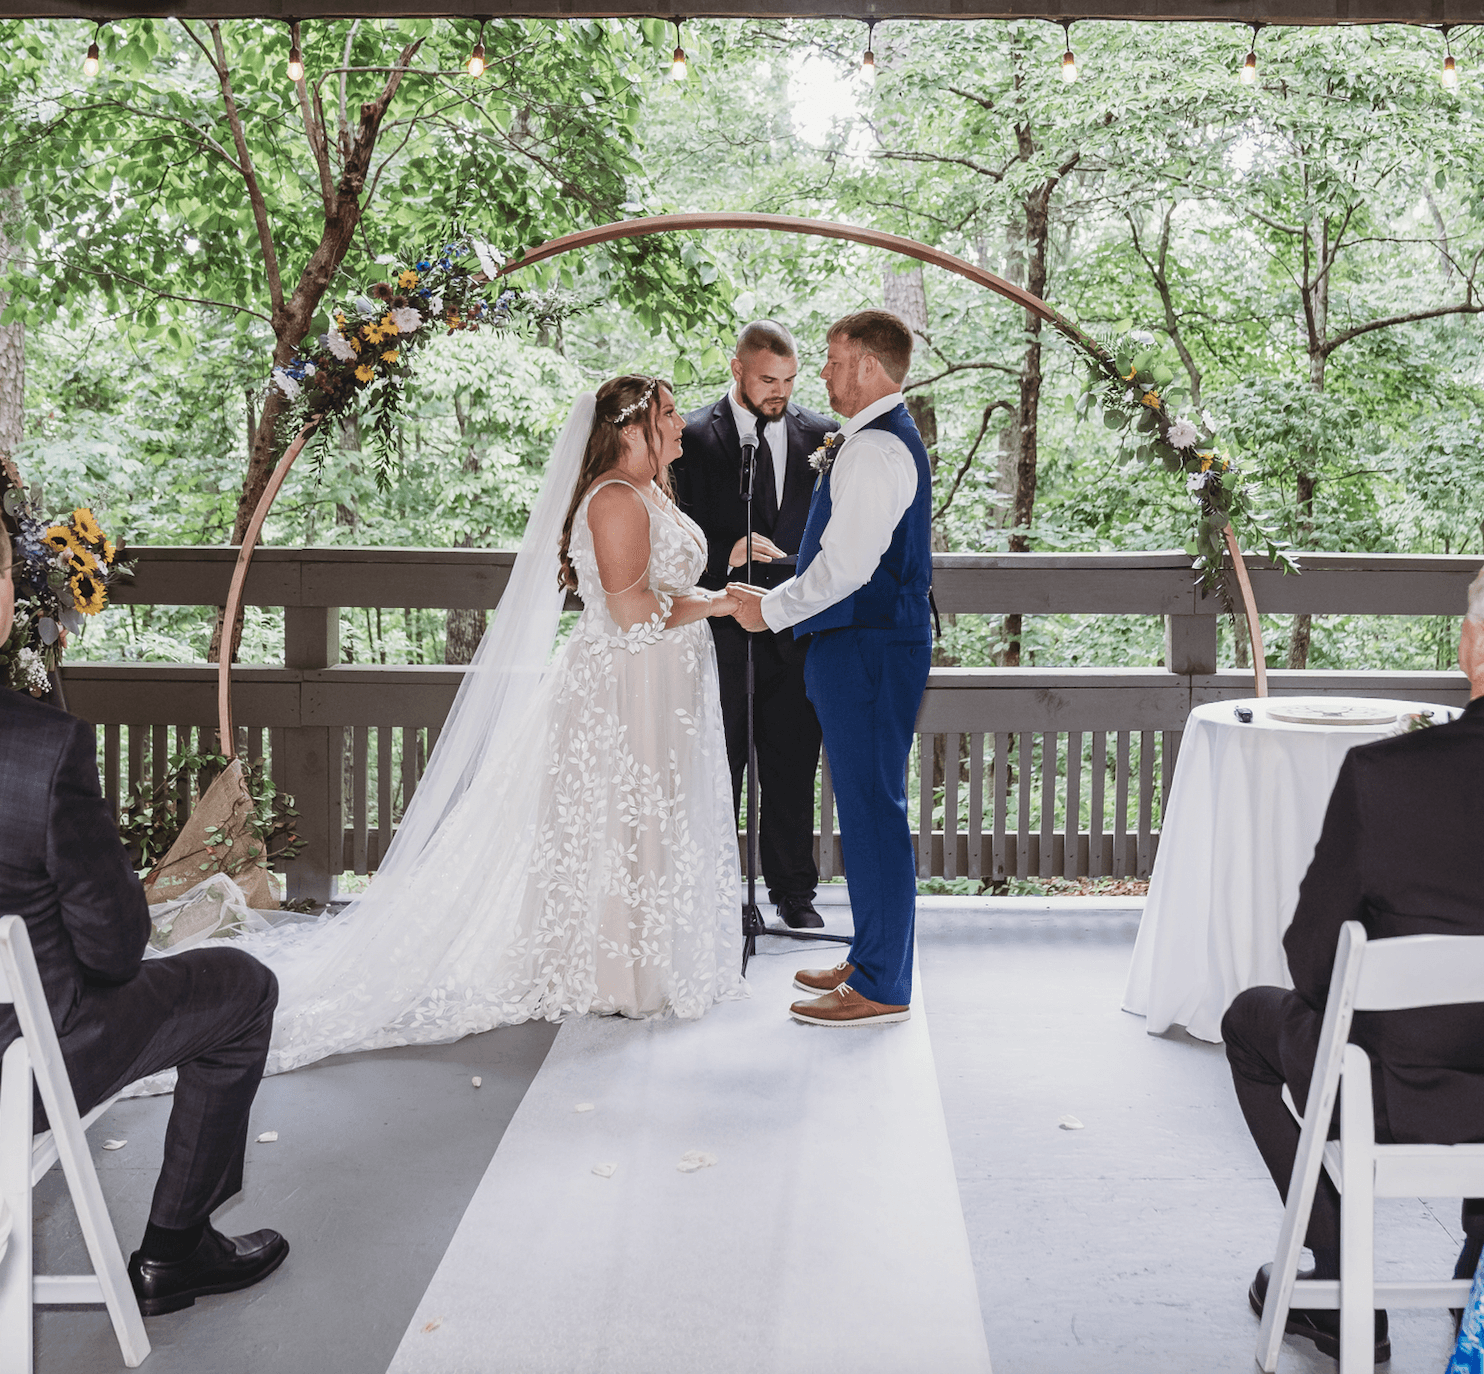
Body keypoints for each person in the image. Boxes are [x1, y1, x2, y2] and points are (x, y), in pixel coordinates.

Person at [192, 376, 746, 1084]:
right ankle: (613, 973)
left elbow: (659, 582)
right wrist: (719, 606)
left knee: (647, 821)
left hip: (659, 691)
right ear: (632, 427)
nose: (681, 427)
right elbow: (634, 612)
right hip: (624, 693)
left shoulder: (651, 492)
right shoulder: (611, 497)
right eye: (669, 416)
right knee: (617, 818)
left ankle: (648, 958)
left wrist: (720, 578)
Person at [0, 522, 288, 1316]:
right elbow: (115, 947)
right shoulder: (37, 750)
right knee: (243, 987)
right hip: (23, 1064)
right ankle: (175, 1250)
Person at [1225, 566, 1484, 1364]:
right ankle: (1476, 1271)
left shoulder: (1387, 775)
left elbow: (1311, 961)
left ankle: (1342, 1287)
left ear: (1474, 644)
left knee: (1250, 1021)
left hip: (1400, 1094)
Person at [731, 311, 933, 1027]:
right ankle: (872, 953)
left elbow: (849, 566)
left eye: (834, 360)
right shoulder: (868, 440)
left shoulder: (876, 451)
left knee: (874, 816)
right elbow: (849, 552)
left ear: (870, 368)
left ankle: (882, 984)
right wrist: (786, 577)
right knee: (867, 809)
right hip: (863, 646)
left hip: (871, 650)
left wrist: (773, 609)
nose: (823, 373)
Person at [672, 321, 836, 929]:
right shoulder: (688, 436)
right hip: (719, 635)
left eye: (790, 380)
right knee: (722, 766)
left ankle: (794, 891)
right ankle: (721, 896)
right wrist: (726, 551)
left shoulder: (823, 436)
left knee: (793, 764)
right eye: (769, 379)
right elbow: (672, 542)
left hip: (794, 631)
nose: (781, 392)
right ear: (737, 369)